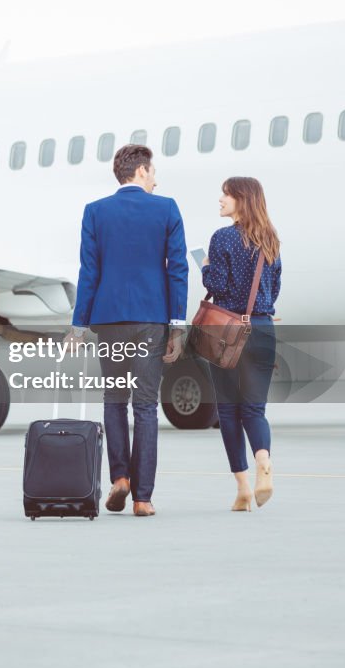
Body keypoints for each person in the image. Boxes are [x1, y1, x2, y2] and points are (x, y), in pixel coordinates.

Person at [68, 144, 189, 517]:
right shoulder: (167, 208)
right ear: (140, 172)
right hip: (150, 319)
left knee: (114, 400)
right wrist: (178, 325)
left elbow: (89, 272)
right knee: (146, 407)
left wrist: (78, 325)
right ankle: (143, 498)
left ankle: (120, 477)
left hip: (109, 319)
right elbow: (177, 269)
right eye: (152, 172)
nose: (155, 179)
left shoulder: (95, 212)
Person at [201, 177, 282, 511]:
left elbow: (217, 284)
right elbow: (273, 289)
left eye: (227, 194)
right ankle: (264, 461)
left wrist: (205, 267)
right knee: (254, 408)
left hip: (227, 332)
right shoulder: (270, 239)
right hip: (262, 328)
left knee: (229, 411)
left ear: (242, 200)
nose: (220, 199)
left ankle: (243, 488)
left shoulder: (222, 238)